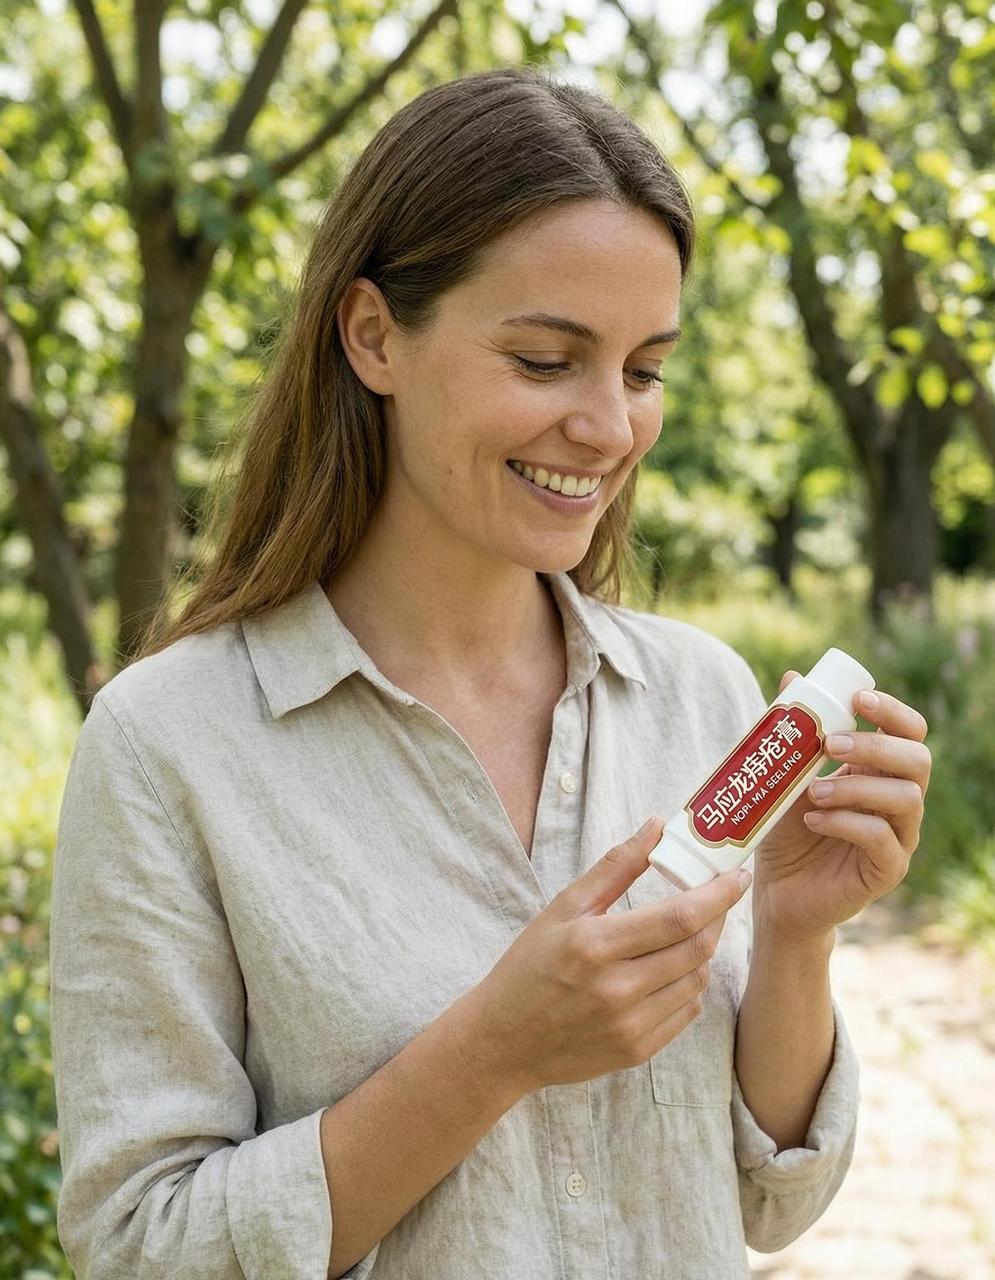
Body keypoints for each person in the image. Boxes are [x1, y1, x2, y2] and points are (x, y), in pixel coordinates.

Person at [49, 65, 929, 1279]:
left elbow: (766, 1200)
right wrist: (489, 1053)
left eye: (642, 369)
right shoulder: (171, 746)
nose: (610, 427)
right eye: (544, 359)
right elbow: (140, 1248)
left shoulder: (705, 700)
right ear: (373, 337)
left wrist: (793, 935)